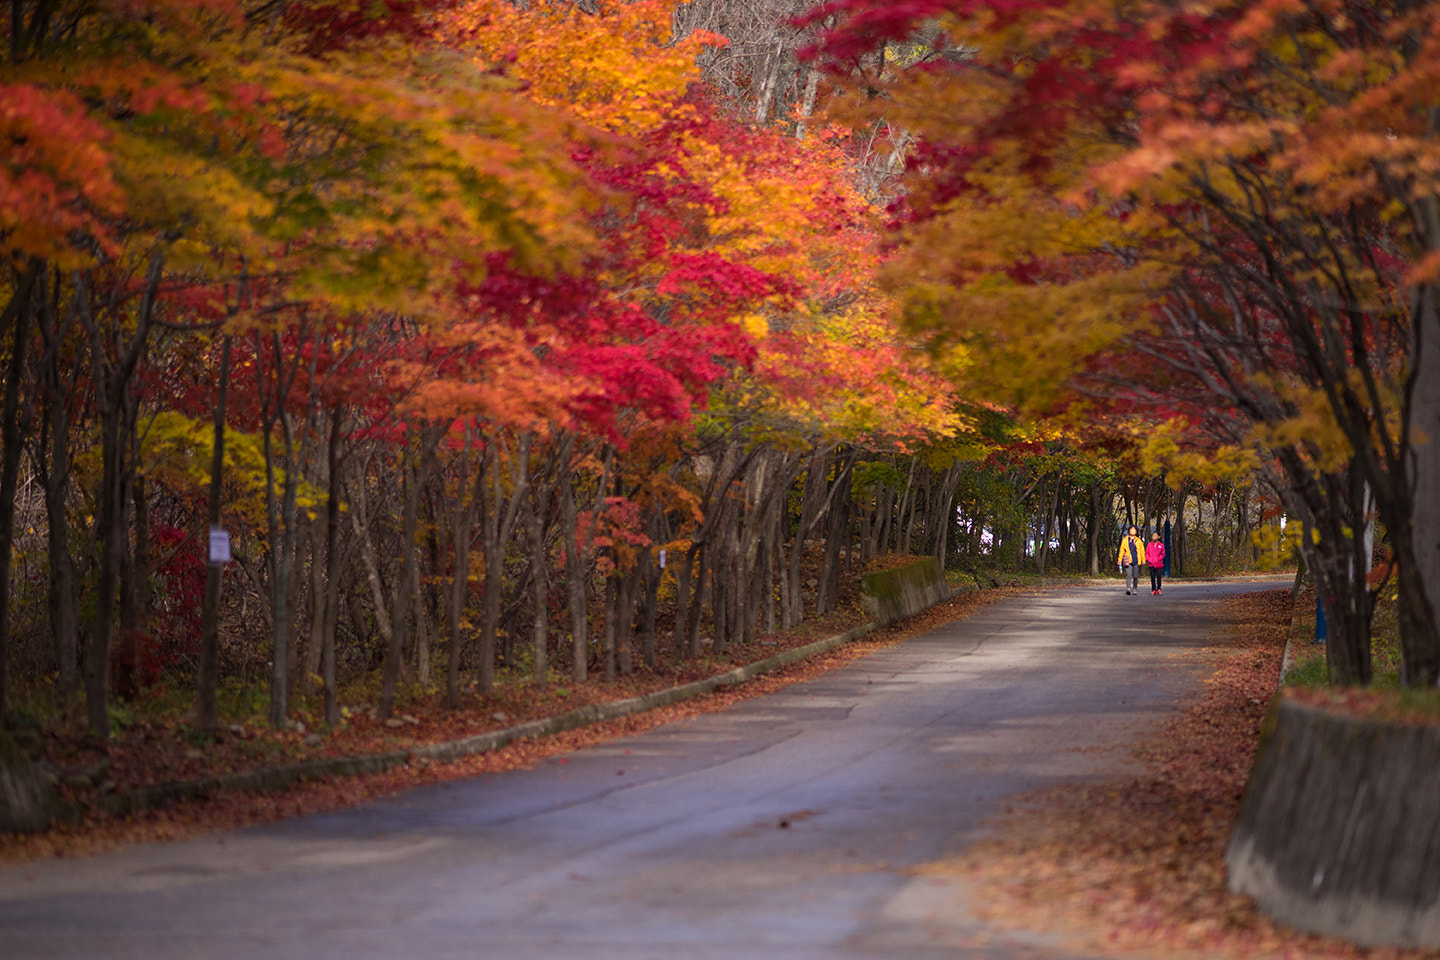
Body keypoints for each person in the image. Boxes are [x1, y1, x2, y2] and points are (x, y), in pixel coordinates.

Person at [1117, 524, 1145, 596]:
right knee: (1129, 575)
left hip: (1136, 560)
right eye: (1131, 529)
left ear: (1136, 531)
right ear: (1129, 531)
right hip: (1128, 560)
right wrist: (1119, 559)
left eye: (1134, 530)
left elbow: (1142, 551)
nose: (1132, 531)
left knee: (1135, 576)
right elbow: (1122, 550)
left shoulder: (1138, 540)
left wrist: (1143, 559)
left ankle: (1135, 588)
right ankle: (1128, 588)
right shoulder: (1125, 540)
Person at [1146, 530, 1167, 595]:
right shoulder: (1149, 545)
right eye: (1153, 535)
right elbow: (1147, 553)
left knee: (1158, 576)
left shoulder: (1161, 545)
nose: (1154, 536)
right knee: (1152, 577)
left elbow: (1163, 554)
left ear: (1159, 537)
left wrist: (1158, 559)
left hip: (1158, 564)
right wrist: (1149, 559)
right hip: (1151, 564)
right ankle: (1153, 589)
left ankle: (1159, 589)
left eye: (1155, 535)